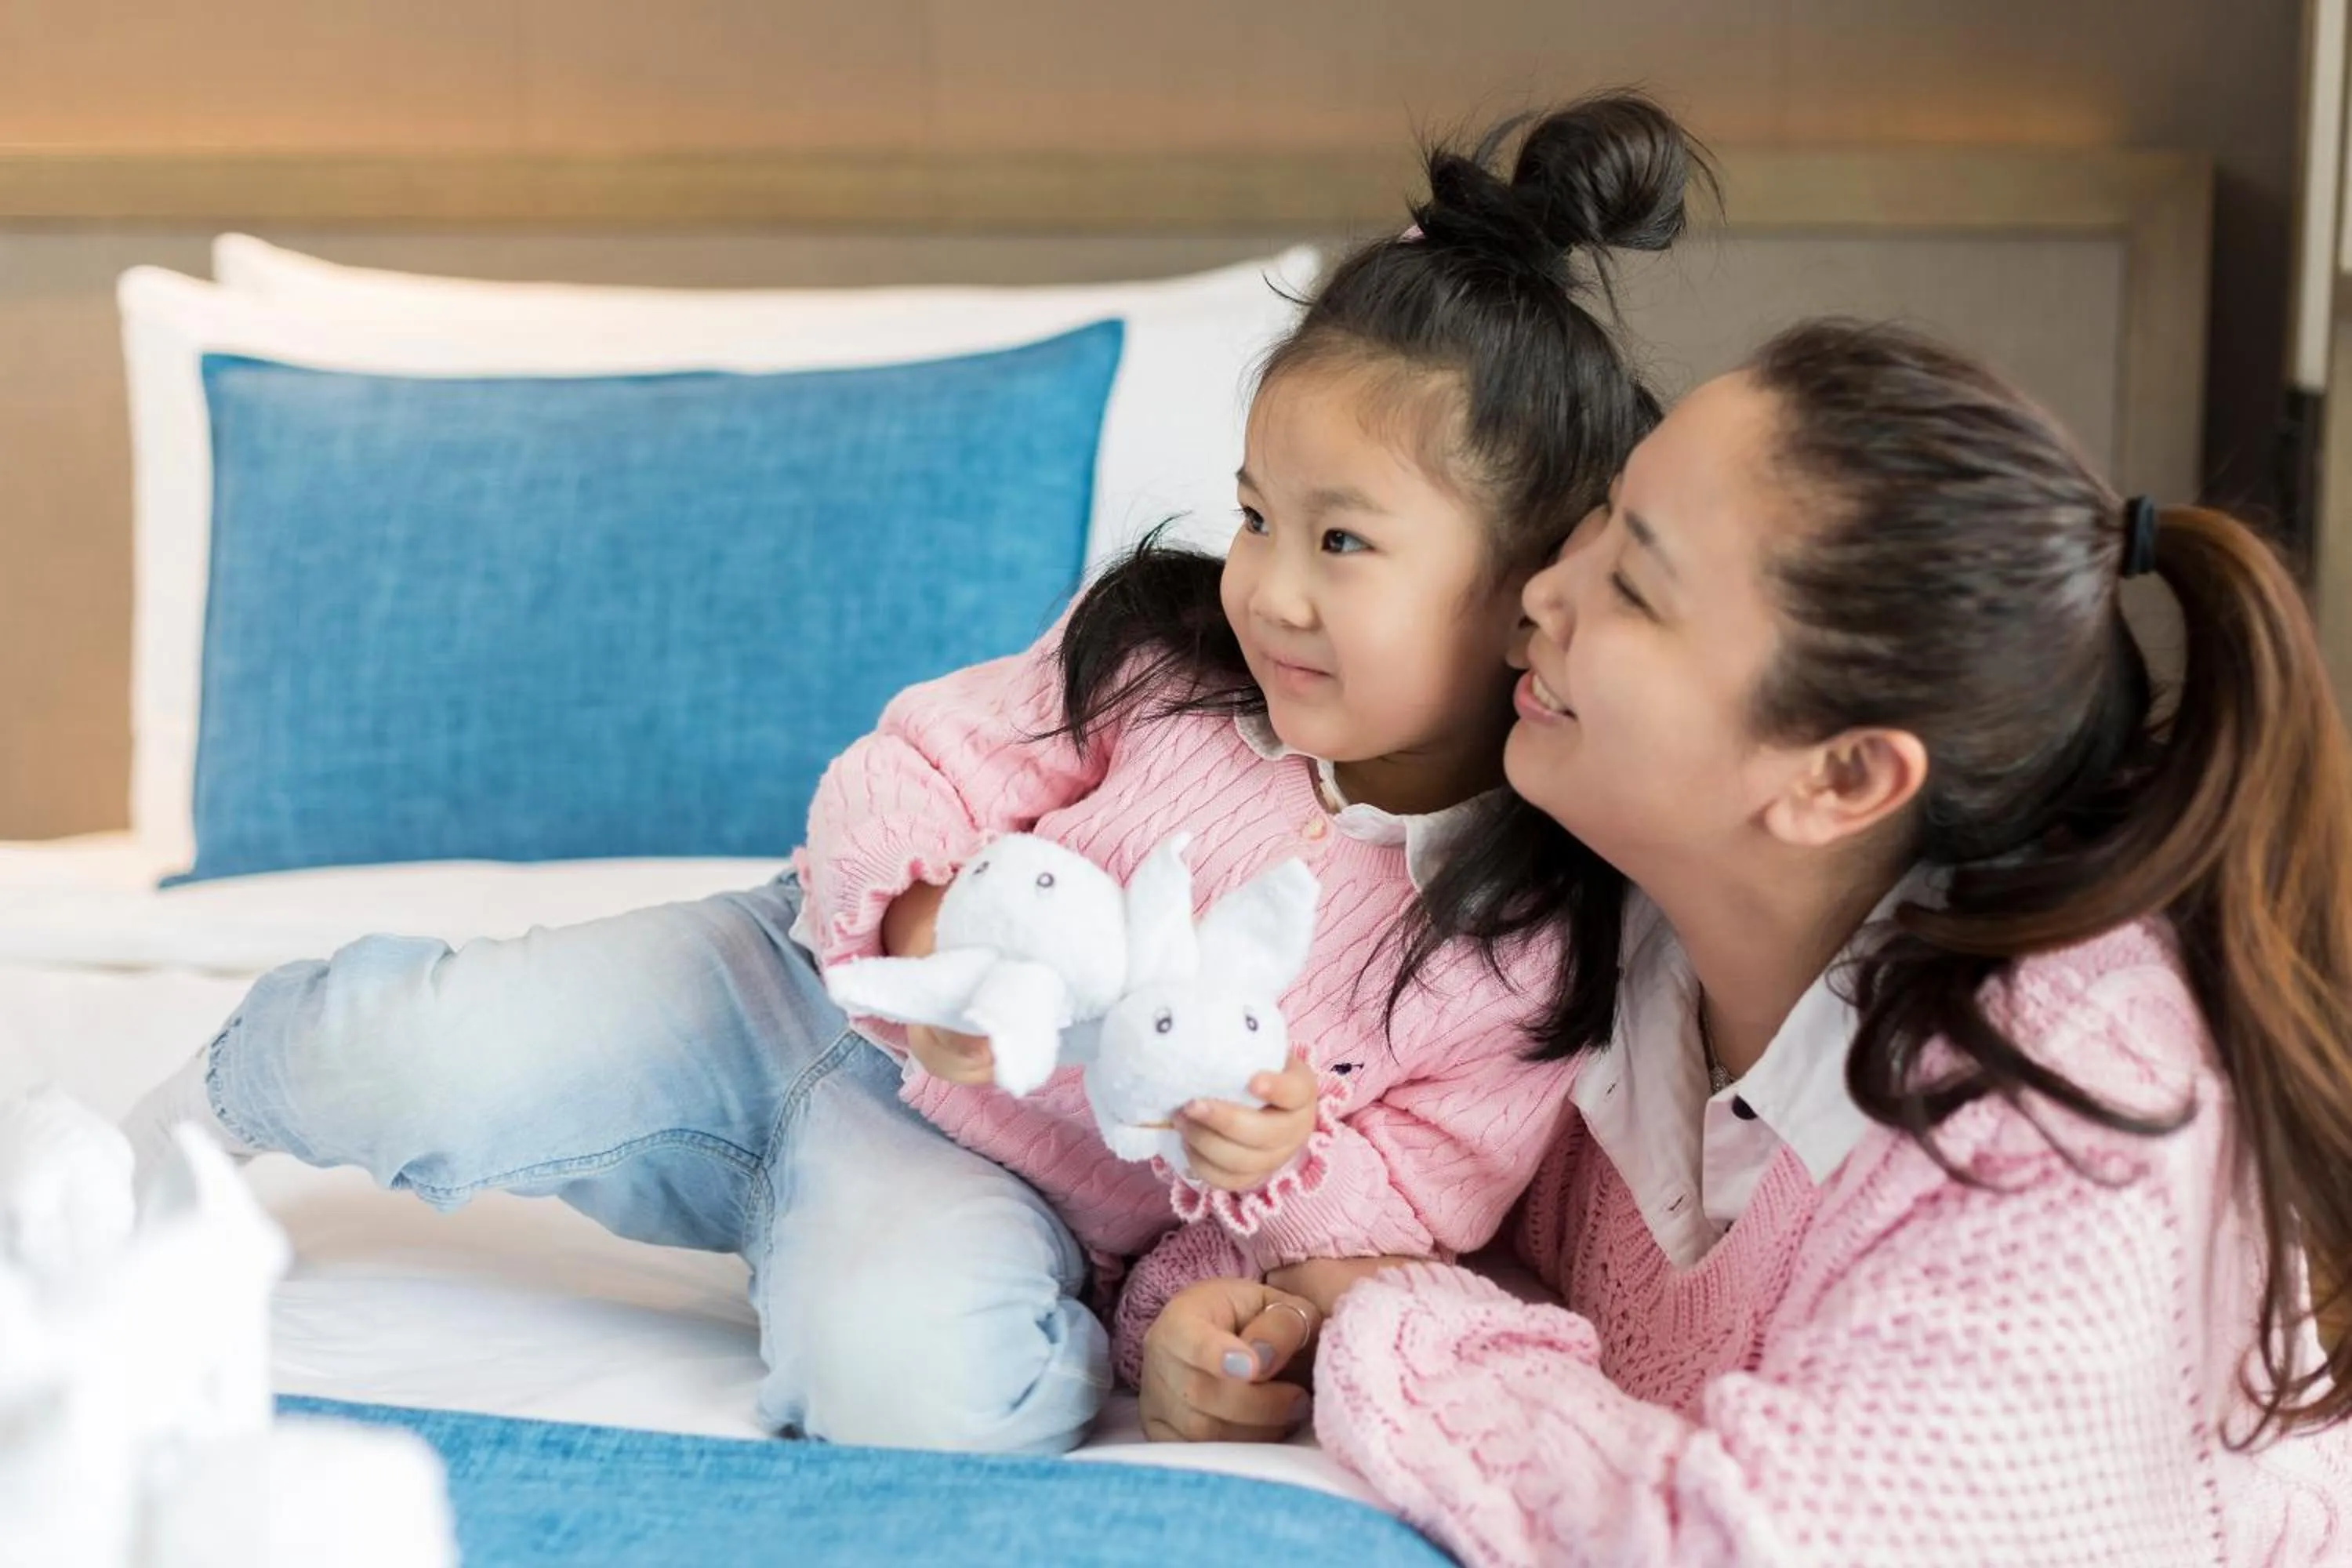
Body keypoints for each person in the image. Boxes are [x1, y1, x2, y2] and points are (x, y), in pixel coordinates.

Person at [124, 93, 1709, 1456]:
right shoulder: (1157, 662)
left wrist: (1269, 1166)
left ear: (1523, 590)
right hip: (788, 986)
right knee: (412, 1051)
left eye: (1342, 540)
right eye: (1253, 516)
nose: (1269, 586)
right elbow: (918, 761)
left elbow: (1412, 1200)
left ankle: (853, 1261)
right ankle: (197, 1102)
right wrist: (923, 920)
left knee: (928, 1391)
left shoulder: (1519, 932)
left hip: (1002, 1193)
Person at [1141, 320, 2352, 1562]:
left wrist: (1388, 1323)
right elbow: (1402, 1226)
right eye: (1601, 517)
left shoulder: (2073, 1126)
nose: (1541, 592)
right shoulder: (1599, 927)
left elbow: (1742, 1544)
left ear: (1841, 778)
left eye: (1634, 585)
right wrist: (1230, 1331)